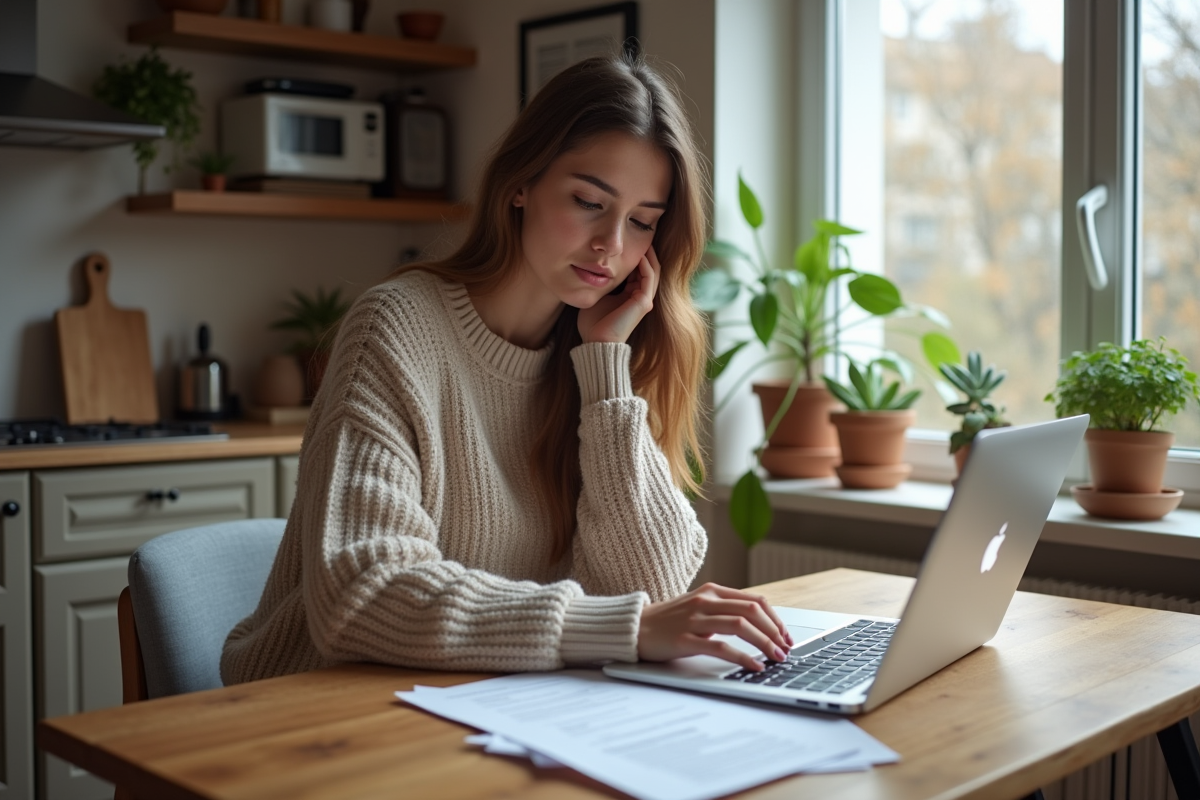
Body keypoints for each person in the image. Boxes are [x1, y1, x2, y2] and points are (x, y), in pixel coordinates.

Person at [221, 52, 793, 686]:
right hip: (317, 704)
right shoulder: (395, 328)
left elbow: (649, 586)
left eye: (641, 222)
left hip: (484, 700)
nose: (611, 245)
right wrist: (622, 628)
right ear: (521, 183)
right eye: (588, 201)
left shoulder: (598, 356)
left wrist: (604, 367)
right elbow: (363, 594)